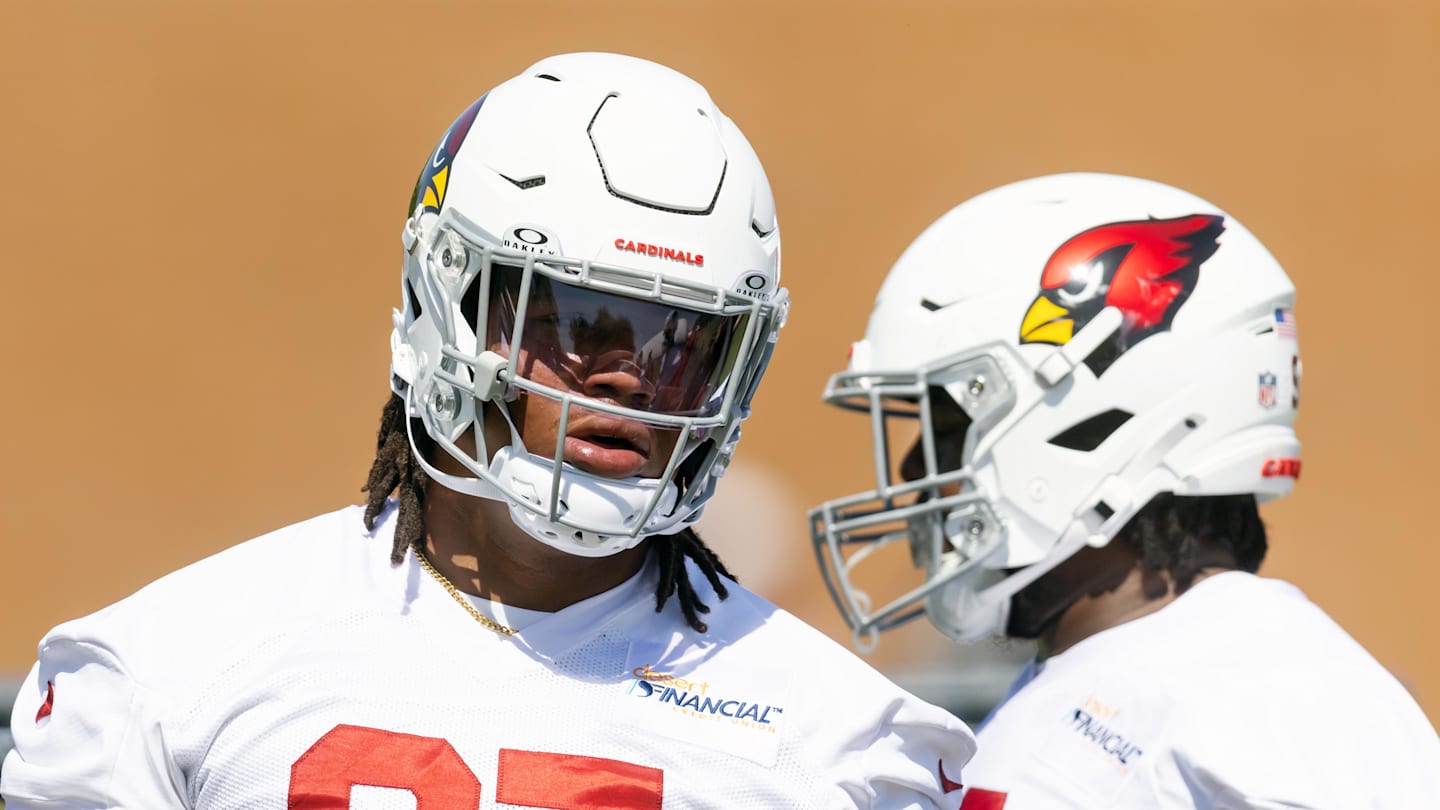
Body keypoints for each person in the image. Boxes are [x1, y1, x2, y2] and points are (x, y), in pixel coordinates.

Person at [2, 52, 976, 808]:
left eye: (684, 342)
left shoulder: (848, 745)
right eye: (578, 319)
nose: (631, 377)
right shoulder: (165, 675)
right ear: (447, 304)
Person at [809, 172, 1440, 808]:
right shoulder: (1135, 674)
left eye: (951, 424)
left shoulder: (1276, 706)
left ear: (1100, 419)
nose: (918, 469)